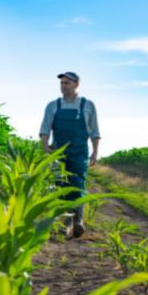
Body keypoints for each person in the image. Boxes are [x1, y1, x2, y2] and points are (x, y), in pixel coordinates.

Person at [39, 71, 100, 238]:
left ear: (76, 84)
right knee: (61, 186)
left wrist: (95, 152)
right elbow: (45, 130)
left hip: (79, 153)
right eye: (62, 83)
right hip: (58, 153)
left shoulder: (87, 105)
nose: (63, 86)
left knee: (78, 184)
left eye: (67, 83)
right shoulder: (53, 105)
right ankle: (65, 222)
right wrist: (46, 149)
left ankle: (78, 221)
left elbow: (94, 131)